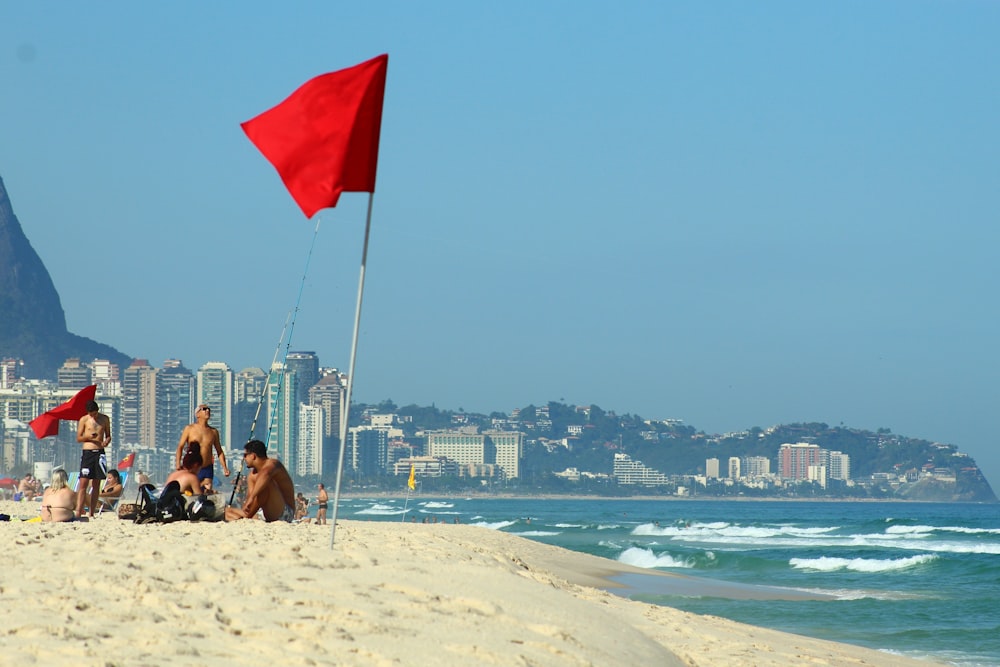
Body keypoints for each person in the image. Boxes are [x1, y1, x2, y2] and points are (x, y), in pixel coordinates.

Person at [225, 440, 295, 523]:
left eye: (245, 455)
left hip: (285, 513)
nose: (244, 458)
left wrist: (251, 498)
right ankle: (242, 518)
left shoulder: (273, 464)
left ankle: (243, 517)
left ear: (253, 456)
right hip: (266, 513)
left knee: (266, 484)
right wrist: (247, 506)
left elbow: (266, 474)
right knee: (226, 510)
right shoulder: (252, 475)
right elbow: (249, 498)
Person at [175, 404, 230, 493]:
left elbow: (219, 451)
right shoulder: (189, 429)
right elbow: (180, 447)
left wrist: (225, 468)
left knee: (206, 492)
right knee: (190, 491)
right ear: (197, 414)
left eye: (209, 409)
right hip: (192, 467)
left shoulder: (213, 432)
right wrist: (178, 463)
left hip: (207, 467)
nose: (207, 411)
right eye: (204, 409)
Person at [76, 399, 111, 518]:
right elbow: (79, 438)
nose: (93, 417)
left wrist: (106, 441)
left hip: (100, 452)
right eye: (91, 414)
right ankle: (79, 511)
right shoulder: (84, 420)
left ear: (98, 411)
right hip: (88, 452)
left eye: (95, 414)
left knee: (96, 483)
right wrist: (90, 437)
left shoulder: (104, 419)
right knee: (83, 482)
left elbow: (108, 435)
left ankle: (92, 512)